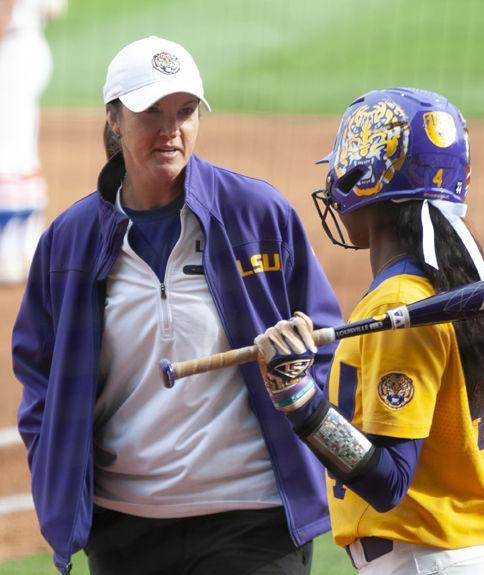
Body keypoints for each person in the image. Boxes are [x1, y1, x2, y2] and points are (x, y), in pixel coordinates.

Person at [12, 35, 342, 575]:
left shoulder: (257, 216)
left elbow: (327, 339)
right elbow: (38, 375)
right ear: (115, 119)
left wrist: (299, 386)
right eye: (152, 113)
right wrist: (58, 468)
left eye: (185, 112)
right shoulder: (69, 242)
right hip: (124, 530)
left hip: (253, 517)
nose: (171, 130)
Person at [254, 87, 484, 574]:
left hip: (425, 563)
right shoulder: (474, 296)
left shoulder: (398, 304)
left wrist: (298, 399)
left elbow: (388, 482)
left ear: (362, 179)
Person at [0, 0, 67, 283]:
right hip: (28, 44)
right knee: (21, 151)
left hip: (12, 49)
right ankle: (24, 247)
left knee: (7, 154)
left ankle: (8, 252)